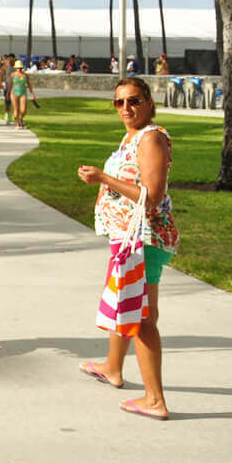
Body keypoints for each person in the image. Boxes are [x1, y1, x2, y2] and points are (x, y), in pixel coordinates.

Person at [76, 77, 178, 420]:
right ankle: (113, 366)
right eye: (119, 103)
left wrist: (103, 180)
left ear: (149, 101)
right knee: (126, 304)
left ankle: (154, 399)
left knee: (142, 317)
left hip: (143, 240)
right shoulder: (133, 136)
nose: (126, 108)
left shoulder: (151, 138)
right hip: (128, 239)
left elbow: (152, 195)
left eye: (133, 101)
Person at [10, 60, 34, 129]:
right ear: (15, 68)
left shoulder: (25, 75)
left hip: (23, 93)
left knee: (23, 110)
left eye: (20, 68)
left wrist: (32, 93)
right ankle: (17, 123)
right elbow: (10, 85)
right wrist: (8, 94)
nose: (19, 69)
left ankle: (21, 119)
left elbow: (29, 84)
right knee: (16, 110)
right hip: (14, 93)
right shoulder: (13, 75)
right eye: (18, 68)